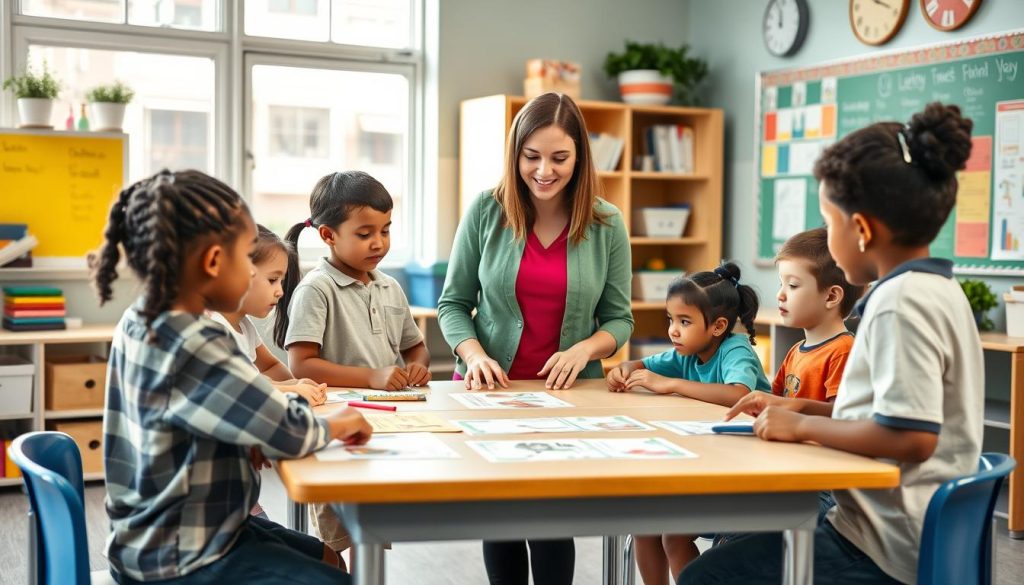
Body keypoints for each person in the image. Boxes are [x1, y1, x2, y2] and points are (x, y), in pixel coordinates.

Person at [686, 102, 983, 584]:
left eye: (831, 222)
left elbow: (912, 436)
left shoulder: (899, 301)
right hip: (914, 533)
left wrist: (800, 428)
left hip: (879, 545)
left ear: (861, 230)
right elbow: (890, 417)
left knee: (706, 577)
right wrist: (802, 409)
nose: (829, 237)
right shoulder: (940, 288)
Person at [91, 169, 372, 584]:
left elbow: (233, 410)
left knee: (326, 558)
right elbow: (286, 432)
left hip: (170, 531)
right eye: (246, 257)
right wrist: (338, 422)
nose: (253, 273)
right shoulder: (195, 338)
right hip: (179, 552)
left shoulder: (143, 320)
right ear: (213, 263)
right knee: (335, 580)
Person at [437, 92, 634, 585]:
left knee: (551, 523)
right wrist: (474, 354)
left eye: (559, 158)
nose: (544, 170)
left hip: (567, 399)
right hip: (492, 394)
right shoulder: (487, 209)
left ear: (579, 157)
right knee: (500, 520)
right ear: (515, 154)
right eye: (532, 157)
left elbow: (620, 320)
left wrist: (586, 348)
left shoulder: (607, 222)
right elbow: (453, 304)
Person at [277, 170, 429, 561]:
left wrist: (418, 366)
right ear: (328, 235)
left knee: (371, 529)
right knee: (337, 536)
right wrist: (372, 377)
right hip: (336, 427)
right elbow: (301, 365)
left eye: (386, 230)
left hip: (385, 423)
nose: (378, 243)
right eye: (364, 234)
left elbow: (416, 348)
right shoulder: (317, 288)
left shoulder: (389, 286)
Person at [605, 262, 770, 585]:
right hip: (707, 460)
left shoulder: (735, 350)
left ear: (718, 326)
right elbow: (641, 363)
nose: (673, 331)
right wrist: (622, 369)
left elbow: (739, 394)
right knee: (644, 527)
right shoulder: (687, 351)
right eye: (671, 320)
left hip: (746, 472)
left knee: (673, 536)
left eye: (684, 321)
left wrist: (672, 385)